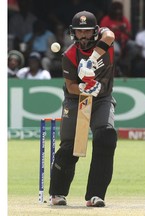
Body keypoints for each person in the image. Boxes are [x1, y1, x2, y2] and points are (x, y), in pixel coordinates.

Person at [49, 11, 117, 207]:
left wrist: (91, 61)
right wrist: (82, 88)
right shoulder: (69, 54)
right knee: (70, 147)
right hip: (74, 100)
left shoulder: (106, 41)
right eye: (79, 32)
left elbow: (110, 35)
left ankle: (96, 195)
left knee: (106, 136)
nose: (84, 36)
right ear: (73, 33)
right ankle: (58, 193)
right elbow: (70, 85)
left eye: (87, 32)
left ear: (95, 31)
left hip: (102, 99)